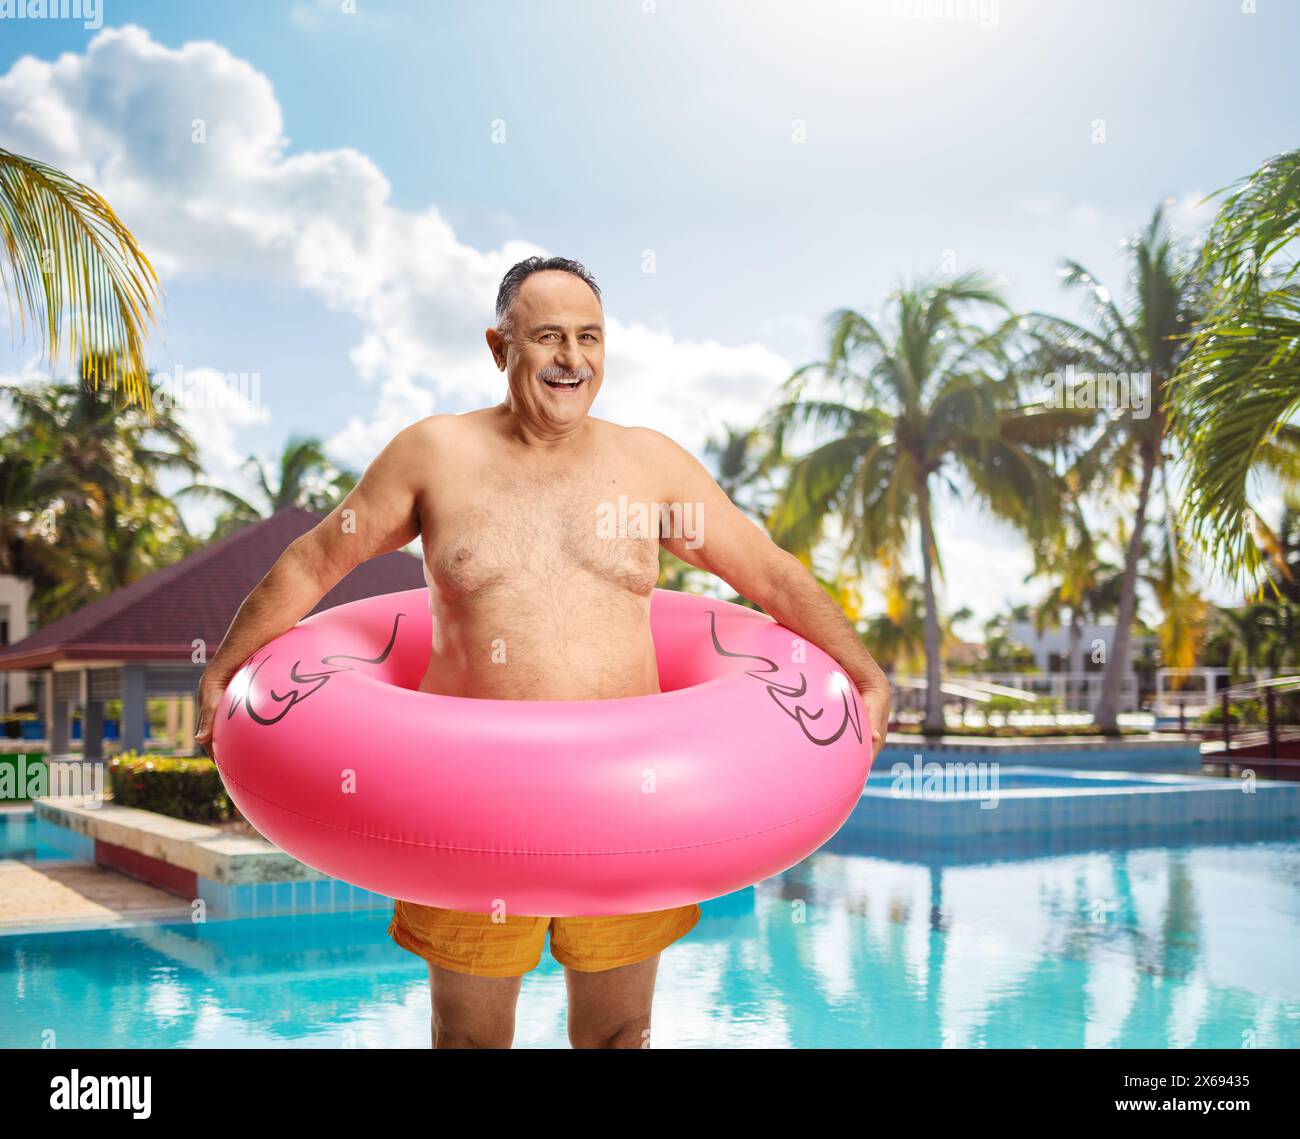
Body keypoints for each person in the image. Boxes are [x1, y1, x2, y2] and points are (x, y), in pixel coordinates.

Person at [194, 255, 891, 1049]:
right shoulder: (436, 455)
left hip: (632, 803)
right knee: (469, 1043)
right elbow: (318, 560)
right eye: (549, 336)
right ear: (500, 346)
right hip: (466, 803)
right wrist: (223, 670)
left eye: (589, 338)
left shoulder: (650, 466)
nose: (572, 359)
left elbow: (766, 572)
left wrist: (862, 671)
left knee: (620, 1035)